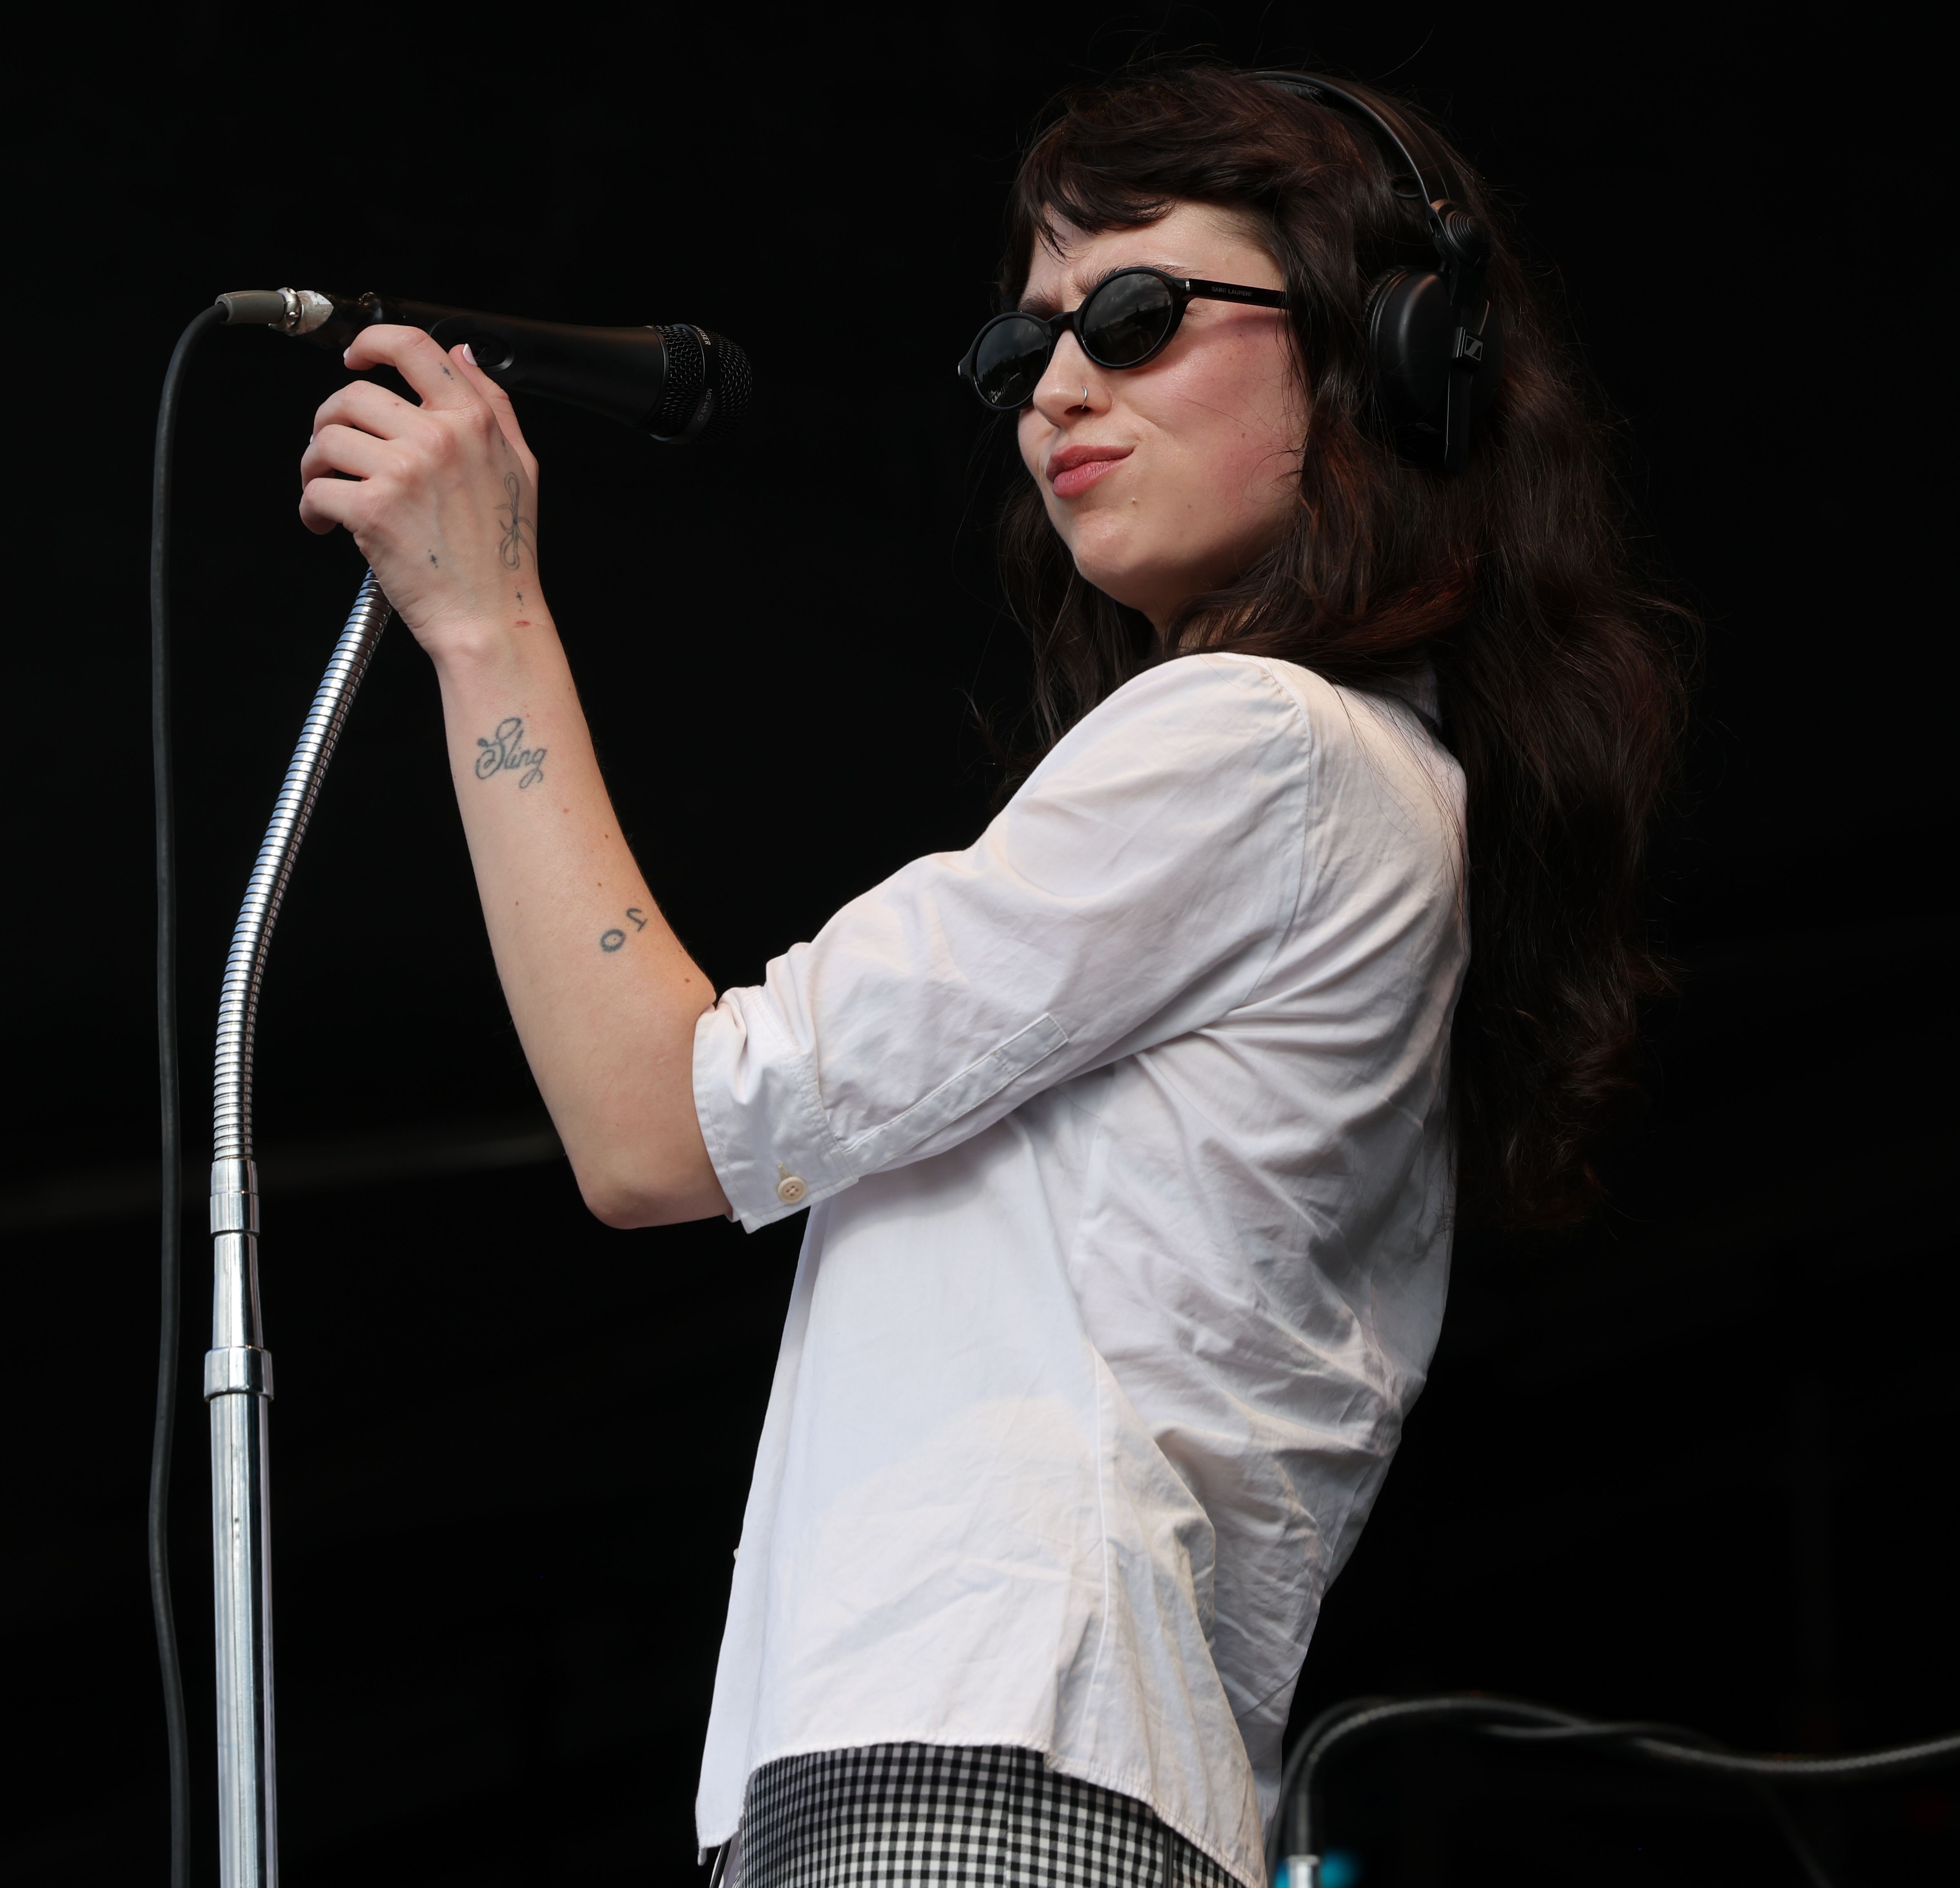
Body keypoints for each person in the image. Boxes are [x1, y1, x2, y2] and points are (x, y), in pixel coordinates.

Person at [293, 61, 1684, 1888]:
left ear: (1386, 351)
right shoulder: (1357, 785)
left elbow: (661, 1125)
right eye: (1025, 345)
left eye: (1137, 313)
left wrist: (487, 623)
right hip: (1003, 1761)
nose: (1056, 388)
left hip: (989, 1752)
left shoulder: (1263, 746)